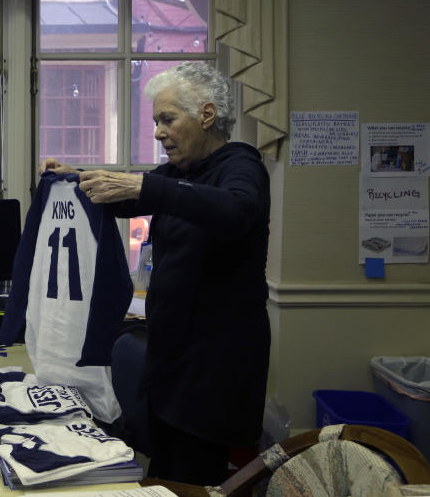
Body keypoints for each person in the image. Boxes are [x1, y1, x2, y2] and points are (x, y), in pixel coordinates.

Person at [41, 61, 270, 486]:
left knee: (191, 483)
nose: (159, 132)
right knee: (165, 477)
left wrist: (144, 187)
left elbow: (237, 209)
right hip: (175, 362)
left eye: (168, 119)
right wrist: (74, 180)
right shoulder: (184, 173)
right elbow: (129, 197)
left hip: (212, 374)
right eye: (156, 122)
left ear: (206, 115)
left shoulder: (242, 167)